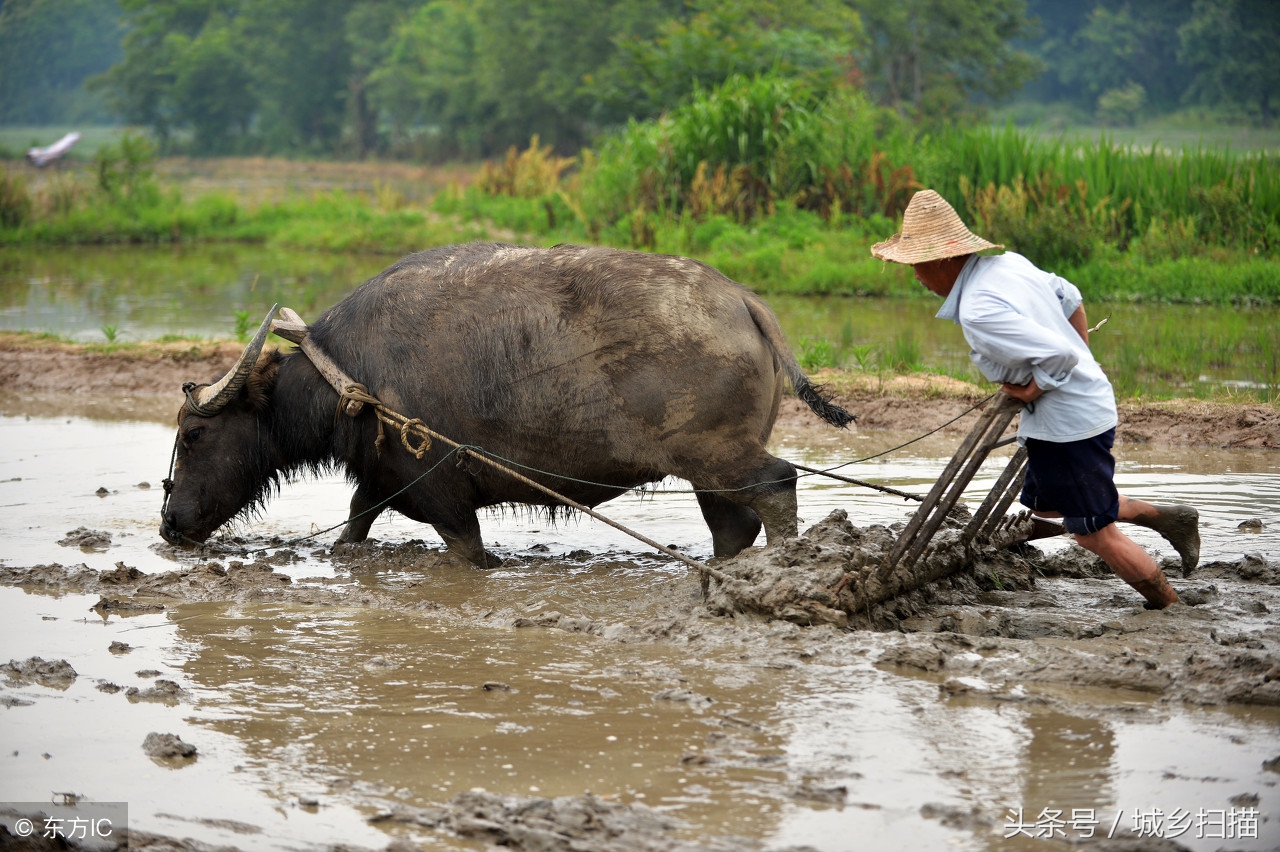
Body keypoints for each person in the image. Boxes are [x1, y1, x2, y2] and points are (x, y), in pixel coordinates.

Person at [870, 189, 1199, 609]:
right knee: (1046, 508)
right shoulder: (1006, 264)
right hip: (1065, 415)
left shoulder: (978, 309)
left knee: (1092, 533)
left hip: (1068, 425)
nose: (915, 275)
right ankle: (1171, 518)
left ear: (943, 259)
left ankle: (1170, 607)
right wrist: (1082, 360)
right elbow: (1071, 296)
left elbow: (1057, 355)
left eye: (916, 264)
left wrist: (1036, 385)